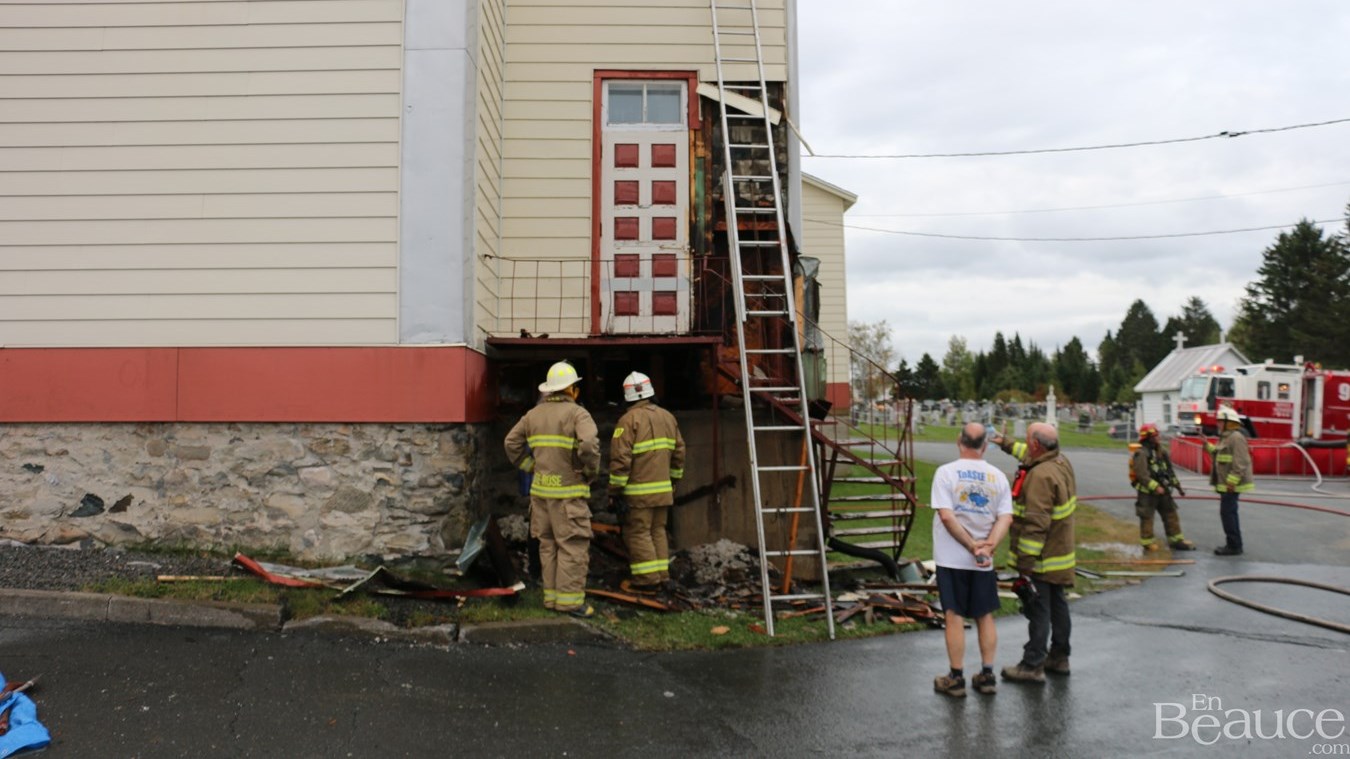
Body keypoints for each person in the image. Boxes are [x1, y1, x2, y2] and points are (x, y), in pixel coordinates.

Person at [504, 361, 601, 618]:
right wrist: (590, 472)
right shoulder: (578, 414)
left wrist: (531, 466)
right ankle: (569, 603)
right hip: (568, 494)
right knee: (572, 546)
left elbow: (511, 443)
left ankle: (552, 598)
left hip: (541, 496)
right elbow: (589, 445)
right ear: (572, 389)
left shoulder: (533, 414)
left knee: (547, 546)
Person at [930, 422, 1013, 698]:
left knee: (953, 614)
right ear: (985, 446)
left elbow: (947, 515)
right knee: (984, 614)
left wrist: (971, 545)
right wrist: (989, 546)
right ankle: (987, 674)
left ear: (959, 441)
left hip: (952, 557)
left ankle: (956, 677)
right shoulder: (998, 477)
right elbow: (1005, 517)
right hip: (982, 561)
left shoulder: (946, 474)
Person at [1001, 422, 1077, 683]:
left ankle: (1032, 664)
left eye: (1026, 440)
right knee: (1058, 605)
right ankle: (1059, 656)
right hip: (1060, 553)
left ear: (1036, 445)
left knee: (1039, 608)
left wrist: (1025, 563)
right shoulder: (1059, 461)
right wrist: (1005, 443)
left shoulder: (1040, 477)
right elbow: (1027, 452)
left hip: (1042, 558)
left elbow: (1036, 523)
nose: (1025, 444)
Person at [609, 371, 686, 591]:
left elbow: (620, 460)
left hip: (638, 493)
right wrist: (673, 480)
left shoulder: (627, 420)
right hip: (663, 491)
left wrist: (615, 490)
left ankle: (646, 580)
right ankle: (662, 575)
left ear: (627, 396)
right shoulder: (668, 417)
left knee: (638, 532)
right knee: (658, 531)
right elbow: (680, 453)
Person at [1132, 424, 1196, 552]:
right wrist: (1155, 487)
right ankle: (1148, 543)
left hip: (1164, 491)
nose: (1158, 437)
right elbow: (1141, 475)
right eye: (1155, 436)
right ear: (1148, 437)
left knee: (1171, 514)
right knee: (1147, 517)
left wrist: (1178, 486)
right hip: (1147, 494)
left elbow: (1169, 471)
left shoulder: (1161, 451)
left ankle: (1176, 540)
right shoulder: (1141, 453)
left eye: (1157, 435)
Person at [1206, 406, 1252, 556]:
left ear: (1228, 422)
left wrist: (1232, 482)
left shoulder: (1236, 437)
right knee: (1228, 513)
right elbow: (1221, 454)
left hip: (1231, 484)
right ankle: (1234, 544)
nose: (1217, 424)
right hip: (1226, 483)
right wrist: (1208, 446)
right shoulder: (1226, 437)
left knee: (1228, 513)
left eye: (1220, 421)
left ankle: (1234, 546)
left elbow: (1241, 462)